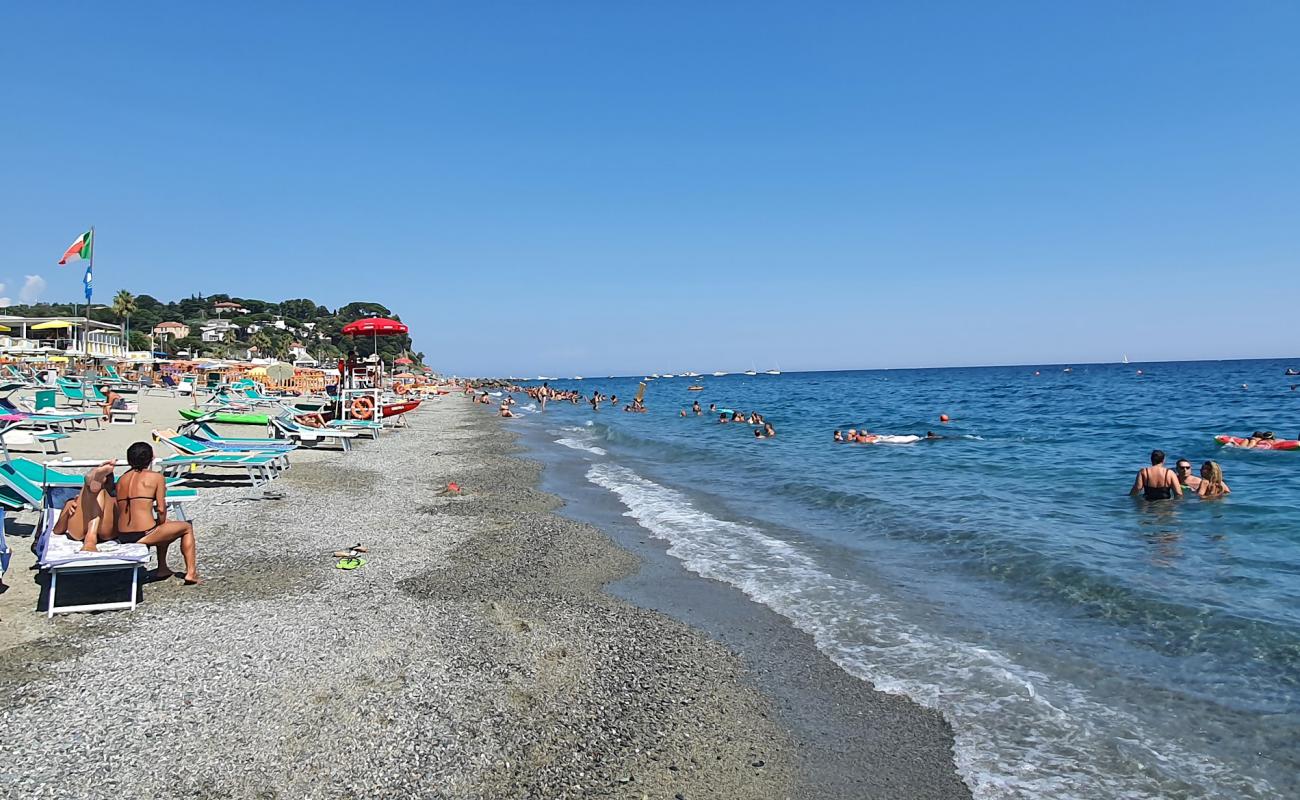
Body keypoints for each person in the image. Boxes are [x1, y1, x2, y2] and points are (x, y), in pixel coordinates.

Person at [101, 441, 201, 583]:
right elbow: (161, 508)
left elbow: (111, 494)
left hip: (123, 534)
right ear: (151, 458)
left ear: (129, 460)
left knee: (164, 526)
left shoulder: (123, 479)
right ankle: (191, 573)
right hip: (144, 533)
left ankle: (162, 568)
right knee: (186, 527)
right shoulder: (156, 478)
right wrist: (161, 523)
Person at [54, 460, 117, 544]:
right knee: (98, 492)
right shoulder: (116, 501)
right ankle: (91, 537)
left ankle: (91, 483)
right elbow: (57, 531)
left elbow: (57, 531)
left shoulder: (114, 501)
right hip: (108, 531)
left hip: (79, 532)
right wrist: (68, 512)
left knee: (98, 491)